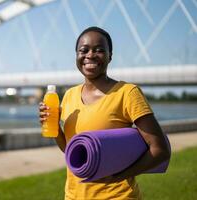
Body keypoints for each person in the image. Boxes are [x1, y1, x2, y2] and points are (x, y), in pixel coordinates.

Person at [39, 26, 171, 200]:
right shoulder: (69, 96)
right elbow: (73, 152)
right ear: (77, 56)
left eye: (99, 50)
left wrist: (119, 176)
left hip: (117, 196)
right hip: (73, 196)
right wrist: (54, 127)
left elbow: (160, 149)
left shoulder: (127, 93)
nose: (90, 55)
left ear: (110, 56)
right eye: (83, 50)